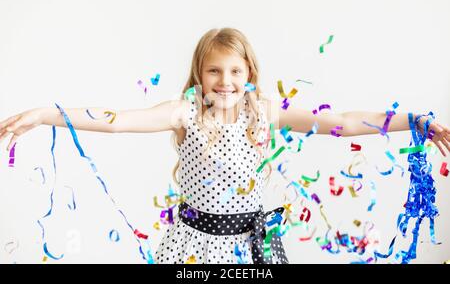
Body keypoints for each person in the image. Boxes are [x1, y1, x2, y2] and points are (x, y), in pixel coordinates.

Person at [0, 28, 448, 264]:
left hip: (252, 244)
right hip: (194, 245)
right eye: (214, 71)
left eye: (235, 71)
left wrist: (416, 122)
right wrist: (44, 115)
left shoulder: (266, 112)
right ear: (200, 75)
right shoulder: (184, 113)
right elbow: (117, 123)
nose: (226, 81)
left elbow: (343, 123)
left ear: (249, 71)